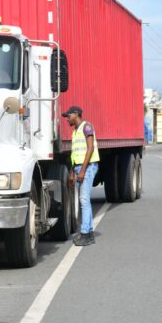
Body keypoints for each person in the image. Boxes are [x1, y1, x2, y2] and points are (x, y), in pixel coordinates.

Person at [63, 105, 99, 247]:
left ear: (76, 114)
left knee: (83, 200)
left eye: (68, 116)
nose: (67, 119)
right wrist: (73, 172)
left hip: (88, 167)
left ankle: (85, 233)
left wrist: (83, 170)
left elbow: (90, 149)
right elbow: (75, 154)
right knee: (84, 200)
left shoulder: (87, 127)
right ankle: (88, 233)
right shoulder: (75, 131)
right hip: (79, 167)